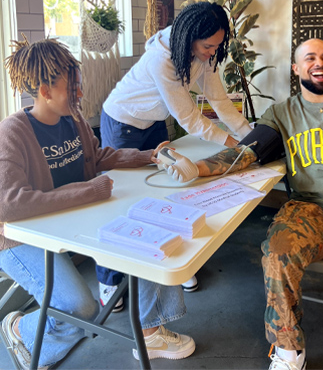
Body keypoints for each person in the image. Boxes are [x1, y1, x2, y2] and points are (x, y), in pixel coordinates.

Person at [163, 38, 323, 370]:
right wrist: (195, 168)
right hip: (308, 210)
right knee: (276, 254)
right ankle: (289, 352)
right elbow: (244, 155)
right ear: (297, 68)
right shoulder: (282, 113)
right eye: (310, 58)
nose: (320, 63)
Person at [0, 36, 194, 369]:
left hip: (66, 223)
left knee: (150, 233)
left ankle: (150, 330)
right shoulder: (12, 132)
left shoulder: (72, 120)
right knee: (81, 308)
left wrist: (150, 155)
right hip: (19, 239)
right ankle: (20, 330)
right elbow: (9, 204)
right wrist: (89, 190)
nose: (79, 93)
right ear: (45, 92)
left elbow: (98, 156)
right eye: (71, 87)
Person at [98, 1, 252, 303]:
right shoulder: (161, 59)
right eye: (208, 46)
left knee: (163, 192)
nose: (212, 52)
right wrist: (234, 146)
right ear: (190, 37)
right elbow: (190, 119)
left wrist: (251, 137)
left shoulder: (204, 54)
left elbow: (220, 103)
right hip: (122, 123)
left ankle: (170, 262)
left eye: (217, 46)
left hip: (153, 122)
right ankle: (109, 280)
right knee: (121, 200)